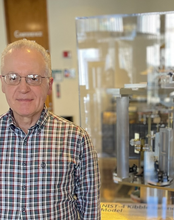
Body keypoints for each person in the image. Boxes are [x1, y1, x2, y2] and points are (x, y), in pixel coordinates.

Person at [0, 39, 101, 219]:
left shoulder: (77, 139)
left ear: (49, 85)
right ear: (2, 84)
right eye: (13, 78)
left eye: (34, 78)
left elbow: (91, 211)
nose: (23, 88)